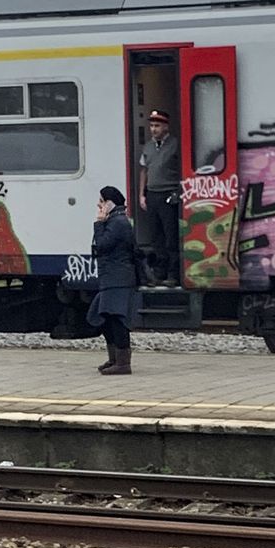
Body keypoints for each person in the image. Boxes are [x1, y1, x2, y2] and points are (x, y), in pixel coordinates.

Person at [88, 185, 137, 376]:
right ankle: (115, 358)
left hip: (118, 279)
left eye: (101, 201)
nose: (98, 205)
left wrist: (99, 223)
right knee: (105, 317)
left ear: (110, 203)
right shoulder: (116, 221)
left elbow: (102, 245)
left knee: (116, 318)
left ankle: (123, 362)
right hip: (112, 278)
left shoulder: (118, 223)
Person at [138, 109, 181, 287]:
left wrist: (178, 192)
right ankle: (160, 272)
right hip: (152, 194)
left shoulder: (175, 144)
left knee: (171, 235)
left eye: (157, 125)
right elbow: (144, 171)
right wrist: (142, 194)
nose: (153, 129)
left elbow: (182, 168)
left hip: (169, 193)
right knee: (156, 236)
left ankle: (173, 273)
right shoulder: (148, 146)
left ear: (165, 126)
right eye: (151, 125)